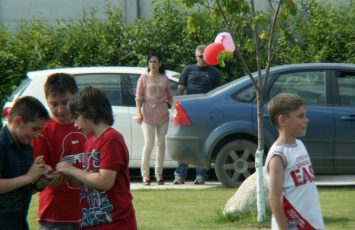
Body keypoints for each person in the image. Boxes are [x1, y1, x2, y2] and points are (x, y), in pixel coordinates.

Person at [56, 86, 137, 229]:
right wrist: (67, 174)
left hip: (116, 223)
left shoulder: (111, 139)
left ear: (90, 113)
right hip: (93, 222)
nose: (75, 125)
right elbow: (89, 181)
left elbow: (104, 181)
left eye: (76, 118)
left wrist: (72, 170)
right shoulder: (89, 142)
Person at [32, 73, 87, 230]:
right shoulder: (44, 130)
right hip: (54, 214)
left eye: (66, 103)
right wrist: (48, 175)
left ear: (75, 98)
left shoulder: (87, 124)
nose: (60, 110)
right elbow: (37, 169)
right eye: (54, 104)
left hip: (88, 210)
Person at [264, 93, 324, 230]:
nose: (306, 120)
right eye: (300, 116)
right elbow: (274, 198)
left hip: (312, 223)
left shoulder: (300, 145)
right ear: (282, 120)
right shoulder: (278, 156)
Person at [173, 45, 222, 185]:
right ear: (196, 57)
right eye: (200, 56)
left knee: (202, 144)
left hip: (206, 112)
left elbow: (218, 93)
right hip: (188, 111)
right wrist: (177, 107)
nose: (203, 59)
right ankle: (179, 176)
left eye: (205, 56)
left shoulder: (214, 73)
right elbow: (180, 90)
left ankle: (201, 176)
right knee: (184, 143)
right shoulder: (188, 70)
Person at [0, 96, 51, 230]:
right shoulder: (1, 145)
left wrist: (40, 183)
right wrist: (29, 177)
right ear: (18, 121)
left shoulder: (27, 148)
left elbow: (20, 188)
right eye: (35, 129)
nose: (37, 135)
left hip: (20, 222)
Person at [135, 52, 173, 185]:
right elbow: (139, 98)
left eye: (155, 62)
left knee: (161, 143)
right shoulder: (143, 78)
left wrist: (177, 109)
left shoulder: (165, 79)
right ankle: (145, 175)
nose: (152, 64)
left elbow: (169, 97)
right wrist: (138, 113)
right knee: (149, 143)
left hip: (162, 113)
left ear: (160, 64)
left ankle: (159, 174)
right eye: (150, 62)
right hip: (147, 114)